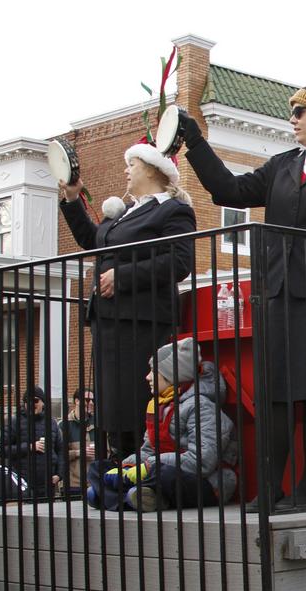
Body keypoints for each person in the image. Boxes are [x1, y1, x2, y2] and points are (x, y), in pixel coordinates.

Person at [180, 82, 306, 511]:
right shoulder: (281, 166)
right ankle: (271, 488)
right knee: (279, 396)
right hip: (280, 296)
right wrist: (195, 141)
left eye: (299, 112)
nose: (292, 118)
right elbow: (228, 192)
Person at [60, 144, 197, 463]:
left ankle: (140, 466)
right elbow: (93, 242)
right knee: (111, 403)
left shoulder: (172, 210)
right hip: (109, 318)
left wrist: (121, 276)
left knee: (134, 398)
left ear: (152, 169)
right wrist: (71, 199)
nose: (126, 170)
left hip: (141, 319)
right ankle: (118, 467)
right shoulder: (125, 211)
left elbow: (179, 262)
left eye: (131, 164)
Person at [86, 338, 237, 512]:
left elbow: (202, 461)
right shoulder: (159, 405)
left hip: (208, 482)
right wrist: (126, 468)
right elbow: (148, 450)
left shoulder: (202, 406)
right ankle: (140, 497)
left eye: (153, 371)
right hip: (161, 469)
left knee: (161, 474)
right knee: (98, 468)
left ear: (172, 374)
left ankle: (114, 497)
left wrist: (150, 466)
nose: (147, 377)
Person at [0, 386, 66, 498]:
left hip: (47, 484)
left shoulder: (51, 423)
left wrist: (59, 475)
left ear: (43, 402)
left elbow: (61, 450)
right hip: (22, 483)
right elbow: (1, 450)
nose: (31, 404)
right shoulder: (14, 422)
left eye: (35, 401)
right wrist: (29, 447)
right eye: (27, 401)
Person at [61, 387, 96, 495]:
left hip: (95, 484)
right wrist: (78, 453)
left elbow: (108, 452)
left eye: (92, 400)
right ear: (77, 401)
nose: (91, 403)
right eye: (87, 400)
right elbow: (59, 455)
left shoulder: (98, 423)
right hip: (73, 485)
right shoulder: (64, 425)